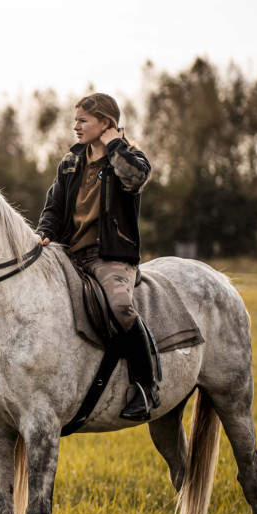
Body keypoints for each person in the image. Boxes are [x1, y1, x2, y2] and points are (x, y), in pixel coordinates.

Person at [36, 92, 158, 420]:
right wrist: (45, 231)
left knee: (120, 307)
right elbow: (54, 207)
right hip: (69, 255)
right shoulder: (71, 161)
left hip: (110, 258)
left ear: (105, 123)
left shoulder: (129, 157)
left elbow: (135, 179)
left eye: (83, 121)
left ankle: (147, 386)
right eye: (75, 119)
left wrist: (115, 143)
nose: (75, 126)